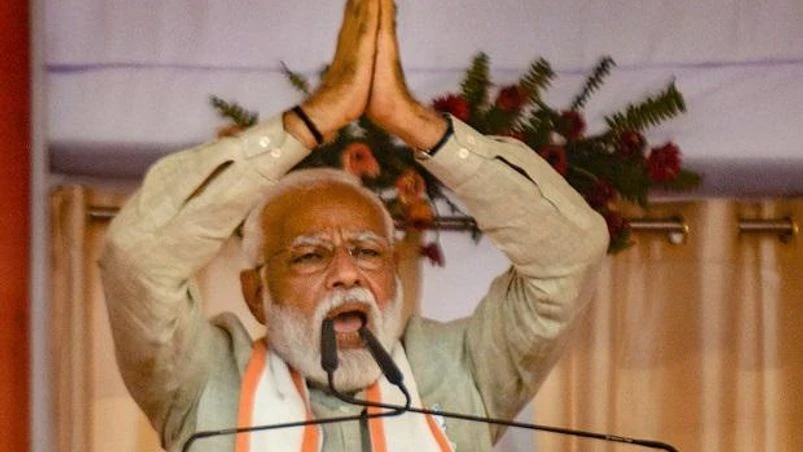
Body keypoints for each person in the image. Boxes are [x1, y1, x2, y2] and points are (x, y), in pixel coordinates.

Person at [99, 0, 609, 450]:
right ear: (257, 294)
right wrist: (317, 116)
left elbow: (571, 249)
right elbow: (138, 255)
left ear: (397, 276)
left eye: (368, 252)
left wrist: (414, 123)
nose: (347, 274)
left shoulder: (463, 372)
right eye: (310, 255)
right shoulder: (201, 383)